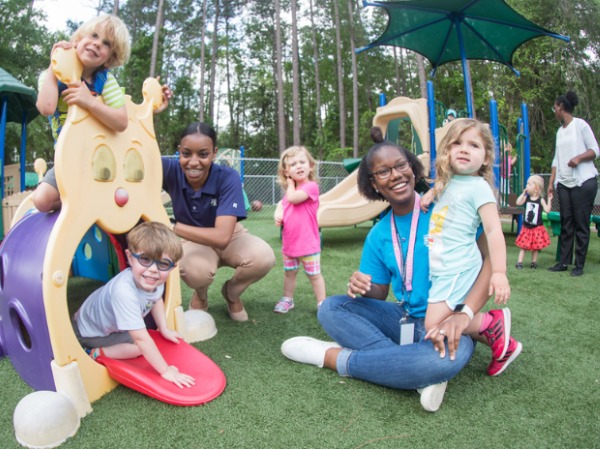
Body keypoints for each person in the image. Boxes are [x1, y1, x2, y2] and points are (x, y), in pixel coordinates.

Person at [281, 128, 522, 413]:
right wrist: (362, 285)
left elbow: (489, 260)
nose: (395, 175)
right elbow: (379, 293)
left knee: (439, 361)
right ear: (373, 184)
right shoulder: (379, 235)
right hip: (404, 318)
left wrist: (464, 314)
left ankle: (332, 356)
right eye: (383, 172)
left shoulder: (447, 206)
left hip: (450, 324)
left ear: (412, 167)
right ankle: (406, 367)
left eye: (400, 165)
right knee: (331, 308)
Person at [162, 122, 276, 322]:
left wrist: (173, 227)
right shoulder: (170, 169)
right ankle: (201, 295)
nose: (194, 162)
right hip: (193, 240)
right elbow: (137, 151)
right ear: (179, 151)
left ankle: (231, 293)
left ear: (214, 153)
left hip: (230, 235)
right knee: (194, 270)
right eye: (187, 154)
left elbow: (222, 237)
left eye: (203, 154)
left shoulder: (227, 177)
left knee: (264, 257)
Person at [423, 119, 513, 366]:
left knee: (432, 323)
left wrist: (499, 273)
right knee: (441, 318)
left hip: (459, 265)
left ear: (485, 158)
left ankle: (489, 322)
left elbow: (494, 231)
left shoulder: (479, 188)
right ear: (447, 152)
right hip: (442, 267)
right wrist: (432, 192)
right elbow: (445, 192)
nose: (464, 149)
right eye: (457, 143)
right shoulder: (448, 183)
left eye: (473, 145)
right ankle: (489, 334)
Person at [73, 222, 195, 388]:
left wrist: (164, 328)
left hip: (98, 323)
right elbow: (141, 339)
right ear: (130, 258)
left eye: (163, 264)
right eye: (145, 259)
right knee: (138, 347)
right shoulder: (124, 291)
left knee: (143, 339)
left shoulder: (154, 280)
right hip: (89, 332)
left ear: (172, 267)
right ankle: (95, 352)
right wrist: (166, 371)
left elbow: (156, 299)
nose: (153, 269)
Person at [33, 14, 131, 213]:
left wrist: (90, 102)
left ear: (110, 58)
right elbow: (46, 107)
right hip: (68, 158)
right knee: (41, 201)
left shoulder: (105, 81)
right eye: (93, 36)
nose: (96, 44)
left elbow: (121, 122)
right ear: (77, 40)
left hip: (101, 159)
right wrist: (55, 67)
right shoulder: (51, 76)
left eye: (105, 44)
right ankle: (81, 201)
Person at [547, 91, 599, 277]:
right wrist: (552, 182)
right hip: (564, 183)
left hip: (583, 183)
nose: (554, 111)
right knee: (566, 223)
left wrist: (578, 158)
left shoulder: (580, 125)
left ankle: (579, 265)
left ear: (561, 107)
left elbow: (595, 150)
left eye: (555, 108)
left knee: (581, 224)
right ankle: (563, 262)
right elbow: (556, 159)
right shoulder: (560, 132)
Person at [273, 146, 326, 313]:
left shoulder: (311, 187)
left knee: (314, 275)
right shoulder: (288, 194)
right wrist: (278, 213)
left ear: (310, 165)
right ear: (286, 171)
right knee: (290, 273)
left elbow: (293, 199)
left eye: (302, 162)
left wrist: (289, 184)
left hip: (308, 243)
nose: (299, 166)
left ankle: (322, 303)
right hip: (290, 244)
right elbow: (282, 204)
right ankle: (287, 299)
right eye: (293, 164)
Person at [515, 175, 553, 269]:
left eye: (529, 184)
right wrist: (523, 194)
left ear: (536, 189)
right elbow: (518, 203)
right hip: (526, 227)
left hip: (536, 228)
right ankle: (519, 262)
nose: (526, 186)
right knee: (523, 246)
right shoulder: (526, 198)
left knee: (535, 247)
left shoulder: (541, 200)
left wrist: (550, 200)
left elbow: (547, 210)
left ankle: (533, 262)